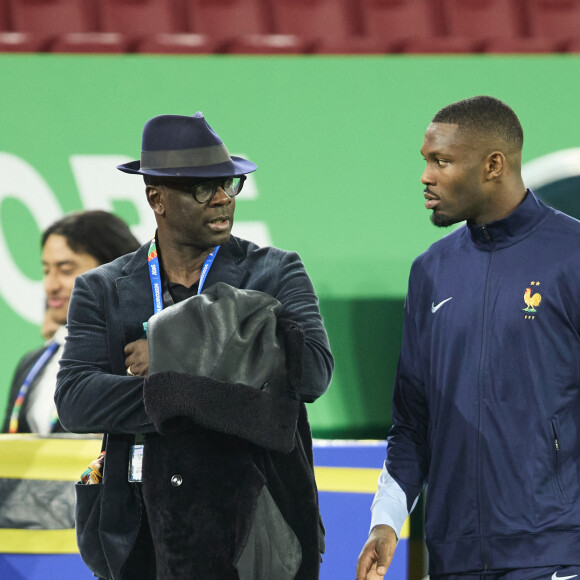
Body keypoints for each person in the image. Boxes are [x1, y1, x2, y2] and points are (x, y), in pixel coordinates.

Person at [55, 112, 334, 580]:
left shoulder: (276, 270)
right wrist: (204, 388)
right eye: (204, 188)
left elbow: (311, 372)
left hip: (260, 523)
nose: (223, 197)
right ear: (157, 198)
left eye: (229, 183)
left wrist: (172, 350)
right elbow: (77, 399)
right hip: (137, 533)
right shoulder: (101, 288)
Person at [356, 96, 580, 580]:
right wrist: (386, 523)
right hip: (453, 560)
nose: (426, 177)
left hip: (554, 556)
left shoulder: (573, 257)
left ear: (493, 165)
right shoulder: (430, 272)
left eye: (441, 161)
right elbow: (412, 424)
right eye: (425, 161)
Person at [2, 210, 140, 435]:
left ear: (112, 268)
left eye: (65, 270)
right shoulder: (31, 363)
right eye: (46, 270)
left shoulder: (138, 356)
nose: (50, 285)